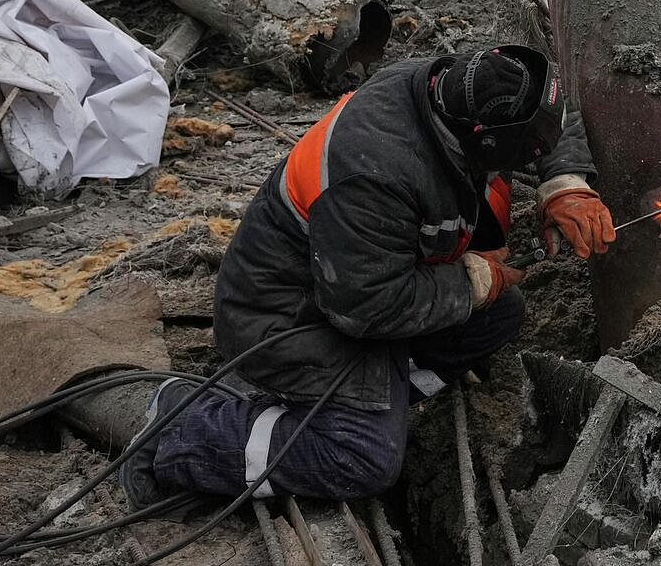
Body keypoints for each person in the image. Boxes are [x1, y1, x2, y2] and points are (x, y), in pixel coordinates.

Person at [123, 45, 617, 506]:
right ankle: (182, 429)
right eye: (527, 153)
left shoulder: (467, 86)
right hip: (289, 317)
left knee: (498, 318)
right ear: (482, 140)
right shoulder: (374, 173)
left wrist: (564, 184)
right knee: (365, 460)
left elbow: (555, 112)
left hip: (356, 283)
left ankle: (372, 403)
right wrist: (473, 282)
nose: (531, 158)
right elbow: (365, 306)